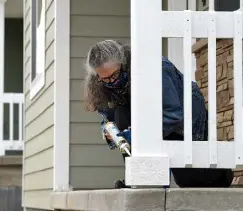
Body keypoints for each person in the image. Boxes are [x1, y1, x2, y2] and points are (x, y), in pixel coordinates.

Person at [84, 40, 233, 188]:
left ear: (123, 63)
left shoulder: (155, 67)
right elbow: (109, 116)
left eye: (115, 74)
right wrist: (110, 131)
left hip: (181, 117)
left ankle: (222, 173)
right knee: (120, 115)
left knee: (188, 179)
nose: (112, 81)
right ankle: (139, 177)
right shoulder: (98, 83)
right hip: (148, 121)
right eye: (105, 79)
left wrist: (139, 135)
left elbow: (173, 116)